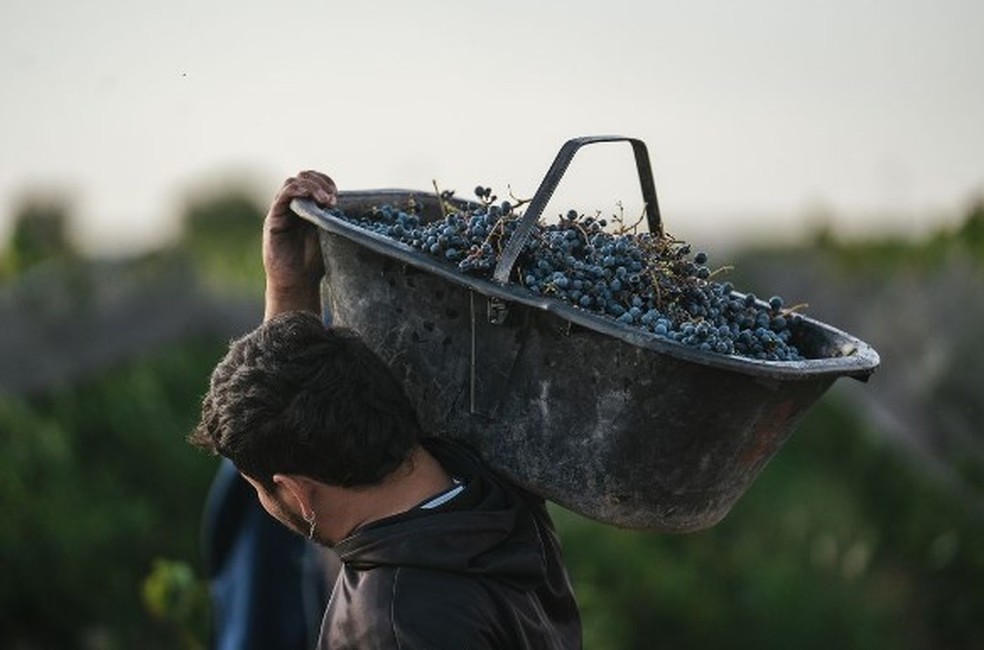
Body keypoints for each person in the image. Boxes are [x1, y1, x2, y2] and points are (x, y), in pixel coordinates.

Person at [188, 170, 582, 649]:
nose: (260, 505)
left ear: (297, 493)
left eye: (259, 490)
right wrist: (290, 286)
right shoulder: (490, 490)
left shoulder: (389, 625)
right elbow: (301, 392)